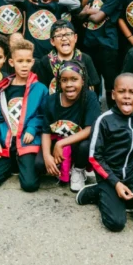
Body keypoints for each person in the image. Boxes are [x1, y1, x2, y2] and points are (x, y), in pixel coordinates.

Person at [76, 74, 133, 232]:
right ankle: (97, 192)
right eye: (122, 91)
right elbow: (95, 157)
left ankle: (126, 194)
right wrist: (115, 183)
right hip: (109, 174)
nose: (127, 97)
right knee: (116, 223)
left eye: (132, 92)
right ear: (113, 94)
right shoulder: (104, 120)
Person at [0, 38, 49, 192]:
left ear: (33, 62)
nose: (24, 65)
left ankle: (22, 163)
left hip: (27, 143)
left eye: (28, 61)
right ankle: (12, 162)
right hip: (6, 142)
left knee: (29, 185)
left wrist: (32, 128)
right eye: (20, 61)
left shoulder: (40, 88)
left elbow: (44, 116)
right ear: (12, 62)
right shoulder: (4, 89)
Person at [40, 60, 99, 192]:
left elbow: (90, 129)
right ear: (59, 82)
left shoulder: (89, 97)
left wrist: (61, 144)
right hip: (58, 140)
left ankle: (79, 169)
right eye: (64, 80)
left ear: (83, 81)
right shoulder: (51, 100)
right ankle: (62, 165)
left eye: (74, 79)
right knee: (39, 166)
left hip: (77, 144)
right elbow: (46, 131)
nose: (69, 84)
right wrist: (46, 156)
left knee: (86, 146)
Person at [78, 0, 126, 99]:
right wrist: (89, 11)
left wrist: (90, 11)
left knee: (110, 84)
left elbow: (98, 18)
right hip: (90, 44)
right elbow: (80, 15)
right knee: (92, 83)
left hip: (107, 46)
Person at [4, 0, 80, 57]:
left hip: (51, 54)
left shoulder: (58, 3)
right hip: (32, 53)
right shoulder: (30, 1)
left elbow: (77, 4)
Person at [34, 20, 99, 94]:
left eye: (68, 34)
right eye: (58, 35)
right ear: (52, 41)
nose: (64, 38)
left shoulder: (85, 59)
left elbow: (93, 88)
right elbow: (42, 90)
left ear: (75, 38)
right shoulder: (45, 61)